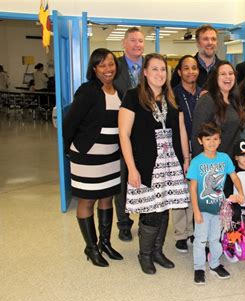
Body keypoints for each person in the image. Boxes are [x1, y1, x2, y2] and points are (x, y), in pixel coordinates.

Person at [118, 53, 190, 275]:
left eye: (163, 70)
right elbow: (123, 133)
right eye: (155, 69)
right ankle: (145, 254)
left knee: (165, 207)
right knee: (150, 210)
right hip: (147, 162)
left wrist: (186, 159)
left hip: (171, 162)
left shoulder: (171, 97)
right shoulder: (133, 96)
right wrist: (131, 168)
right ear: (145, 73)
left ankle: (157, 251)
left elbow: (181, 130)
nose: (160, 74)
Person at [63, 48, 124, 267]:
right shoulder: (87, 91)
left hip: (110, 158)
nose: (108, 69)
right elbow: (70, 122)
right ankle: (91, 247)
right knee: (87, 200)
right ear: (94, 68)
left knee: (107, 198)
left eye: (111, 64)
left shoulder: (119, 91)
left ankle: (105, 243)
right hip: (87, 156)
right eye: (102, 65)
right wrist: (69, 149)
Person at [186, 122, 245, 285]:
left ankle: (214, 264)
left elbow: (234, 176)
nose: (211, 143)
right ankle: (199, 267)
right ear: (200, 141)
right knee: (200, 239)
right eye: (207, 139)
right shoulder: (197, 161)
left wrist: (241, 193)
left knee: (214, 238)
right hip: (203, 209)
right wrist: (196, 211)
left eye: (215, 139)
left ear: (220, 140)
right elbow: (193, 187)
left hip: (219, 209)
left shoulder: (224, 158)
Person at [113, 27, 145, 242]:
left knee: (146, 178)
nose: (137, 45)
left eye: (141, 41)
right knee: (123, 179)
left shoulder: (151, 67)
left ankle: (146, 221)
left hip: (145, 133)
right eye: (132, 41)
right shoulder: (114, 67)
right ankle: (124, 223)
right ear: (124, 44)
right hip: (121, 131)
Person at [171, 55, 202, 253]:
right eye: (186, 68)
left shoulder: (204, 93)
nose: (191, 71)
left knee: (195, 190)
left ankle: (193, 229)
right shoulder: (172, 95)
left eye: (194, 68)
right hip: (178, 149)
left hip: (200, 148)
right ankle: (181, 234)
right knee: (181, 192)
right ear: (179, 72)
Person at [190, 60, 245, 157]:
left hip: (230, 162)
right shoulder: (207, 100)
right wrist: (201, 163)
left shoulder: (235, 100)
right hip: (212, 163)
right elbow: (197, 135)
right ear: (215, 78)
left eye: (230, 73)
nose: (227, 77)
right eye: (223, 74)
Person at [171, 24, 221, 88]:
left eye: (213, 39)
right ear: (197, 42)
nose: (210, 42)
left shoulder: (223, 68)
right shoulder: (184, 68)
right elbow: (172, 94)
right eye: (205, 39)